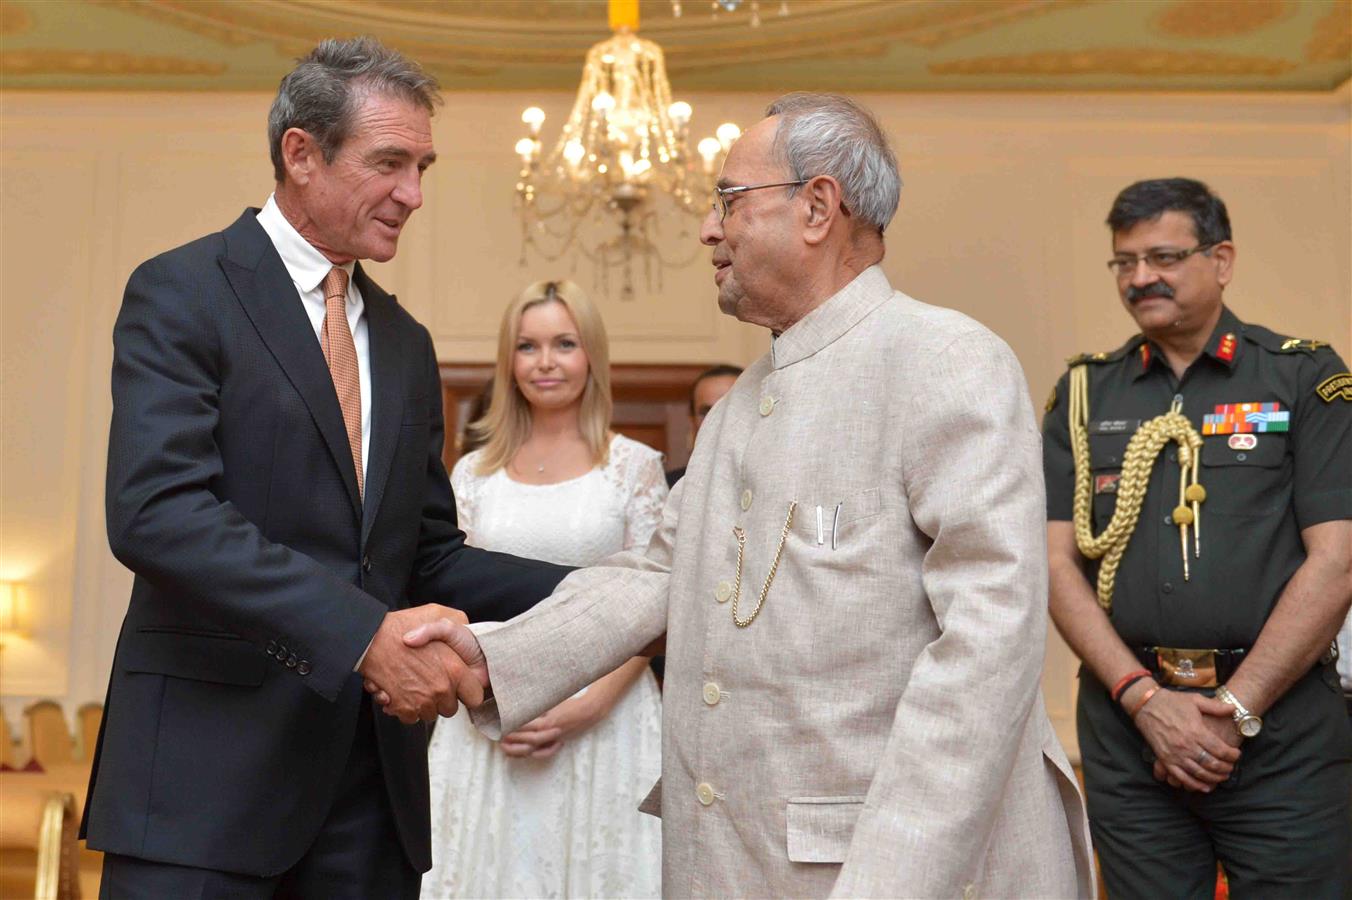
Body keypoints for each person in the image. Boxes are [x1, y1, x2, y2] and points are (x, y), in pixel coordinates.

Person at [399, 92, 1093, 898]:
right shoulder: (737, 410)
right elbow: (656, 575)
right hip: (736, 859)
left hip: (883, 867)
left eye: (727, 200)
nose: (705, 229)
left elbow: (987, 649)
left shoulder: (945, 361)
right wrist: (488, 661)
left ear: (817, 208)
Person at [84, 37, 567, 898]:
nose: (414, 195)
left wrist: (616, 590)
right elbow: (159, 514)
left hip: (369, 799)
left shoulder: (408, 345)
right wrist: (362, 636)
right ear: (300, 154)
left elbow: (424, 556)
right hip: (202, 794)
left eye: (423, 166)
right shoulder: (181, 292)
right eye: (390, 163)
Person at [1042, 177, 1352, 898]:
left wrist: (1234, 711)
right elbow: (1055, 563)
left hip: (1282, 734)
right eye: (1124, 261)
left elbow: (1336, 561)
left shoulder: (1303, 377)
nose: (1141, 277)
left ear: (1222, 259)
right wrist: (1148, 703)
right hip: (1131, 728)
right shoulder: (1086, 394)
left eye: (1164, 256)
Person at [423, 280, 666, 898]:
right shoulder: (472, 471)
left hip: (607, 715)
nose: (547, 362)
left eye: (565, 343)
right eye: (528, 346)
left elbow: (657, 601)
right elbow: (449, 592)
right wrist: (498, 704)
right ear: (509, 361)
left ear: (592, 356)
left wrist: (582, 706)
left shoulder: (634, 466)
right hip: (489, 705)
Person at [665, 363, 742, 487]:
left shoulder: (774, 486)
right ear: (692, 421)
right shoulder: (669, 488)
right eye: (706, 413)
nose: (716, 422)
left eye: (727, 411)